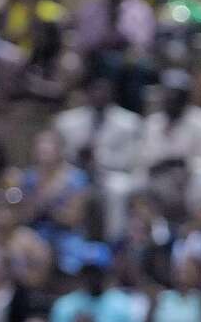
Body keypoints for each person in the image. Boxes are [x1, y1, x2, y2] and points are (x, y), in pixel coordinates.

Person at [54, 72, 144, 238]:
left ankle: (114, 240)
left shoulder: (129, 122)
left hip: (109, 174)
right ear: (87, 93)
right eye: (95, 90)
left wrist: (99, 157)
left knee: (117, 189)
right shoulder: (67, 121)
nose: (99, 95)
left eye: (104, 91)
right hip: (74, 172)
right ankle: (62, 236)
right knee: (58, 184)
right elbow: (58, 153)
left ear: (113, 94)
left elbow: (130, 160)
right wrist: (77, 155)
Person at [137, 69, 201, 205]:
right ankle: (150, 226)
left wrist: (184, 163)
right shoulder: (152, 123)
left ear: (186, 97)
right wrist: (165, 163)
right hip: (160, 176)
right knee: (137, 183)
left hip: (190, 178)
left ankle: (194, 226)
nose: (172, 98)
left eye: (177, 94)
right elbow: (144, 158)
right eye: (168, 93)